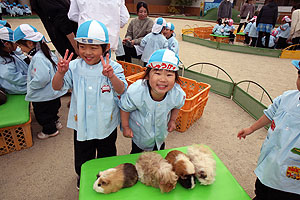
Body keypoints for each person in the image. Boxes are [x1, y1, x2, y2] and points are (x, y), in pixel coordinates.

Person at [51, 20, 127, 189]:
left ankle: (106, 177)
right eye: (82, 46)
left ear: (105, 47)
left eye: (93, 48)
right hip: (82, 123)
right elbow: (56, 87)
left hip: (106, 123)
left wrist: (112, 77)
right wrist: (60, 73)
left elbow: (121, 90)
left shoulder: (113, 67)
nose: (87, 52)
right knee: (82, 154)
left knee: (107, 153)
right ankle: (83, 176)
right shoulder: (73, 67)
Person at [237, 60, 300, 200]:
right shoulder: (287, 97)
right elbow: (270, 114)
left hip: (292, 173)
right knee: (262, 185)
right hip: (271, 159)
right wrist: (251, 129)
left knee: (281, 194)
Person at [120, 49, 186, 154]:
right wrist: (125, 126)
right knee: (136, 155)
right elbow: (125, 108)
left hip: (160, 133)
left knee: (159, 154)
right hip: (139, 134)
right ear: (147, 75)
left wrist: (172, 120)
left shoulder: (177, 94)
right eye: (157, 73)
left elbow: (178, 105)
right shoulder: (136, 91)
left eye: (169, 75)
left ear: (176, 78)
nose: (163, 79)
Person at [14, 24, 68, 140]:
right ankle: (55, 122)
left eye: (20, 46)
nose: (20, 49)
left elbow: (42, 78)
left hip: (43, 95)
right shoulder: (45, 52)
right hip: (53, 93)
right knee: (52, 111)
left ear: (29, 43)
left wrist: (31, 85)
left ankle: (50, 130)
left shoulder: (38, 58)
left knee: (43, 114)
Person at [0, 26, 28, 94]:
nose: (17, 45)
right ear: (7, 44)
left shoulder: (8, 52)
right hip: (17, 87)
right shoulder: (3, 61)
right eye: (15, 42)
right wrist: (32, 80)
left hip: (23, 80)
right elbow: (12, 77)